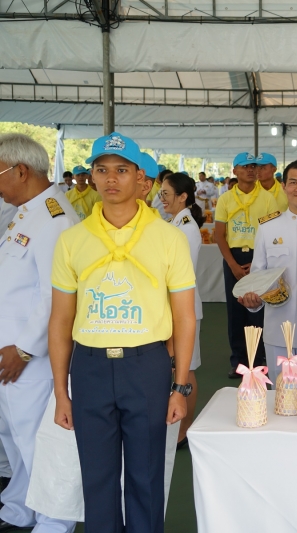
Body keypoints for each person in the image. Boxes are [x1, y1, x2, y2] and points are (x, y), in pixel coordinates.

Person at [49, 132, 195, 533]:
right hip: (91, 368)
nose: (111, 178)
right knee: (96, 478)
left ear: (139, 178)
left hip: (145, 366)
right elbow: (61, 320)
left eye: (121, 170)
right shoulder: (71, 240)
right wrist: (62, 391)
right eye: (102, 170)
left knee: (146, 479)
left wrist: (180, 387)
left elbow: (185, 318)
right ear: (92, 177)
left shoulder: (169, 238)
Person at [0, 133, 78, 533]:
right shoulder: (26, 210)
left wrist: (25, 350)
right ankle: (20, 508)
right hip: (11, 348)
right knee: (15, 437)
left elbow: (55, 294)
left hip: (31, 355)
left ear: (21, 170)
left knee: (39, 442)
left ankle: (54, 521)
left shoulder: (53, 217)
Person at [239, 159, 297, 381]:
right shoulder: (268, 227)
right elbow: (258, 276)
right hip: (278, 329)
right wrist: (254, 301)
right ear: (284, 186)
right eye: (294, 182)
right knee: (280, 399)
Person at [215, 152, 278, 378]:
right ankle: (239, 361)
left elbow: (272, 233)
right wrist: (232, 264)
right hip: (234, 258)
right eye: (245, 166)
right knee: (236, 312)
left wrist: (259, 262)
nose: (251, 170)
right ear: (235, 171)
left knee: (259, 312)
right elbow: (220, 235)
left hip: (258, 258)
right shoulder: (225, 199)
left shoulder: (268, 198)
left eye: (254, 166)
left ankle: (259, 361)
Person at [160, 172, 205, 448]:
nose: (161, 199)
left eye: (166, 193)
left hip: (183, 308)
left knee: (185, 370)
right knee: (177, 366)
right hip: (172, 307)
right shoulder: (175, 223)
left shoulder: (185, 227)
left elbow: (177, 273)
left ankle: (185, 430)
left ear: (183, 196)